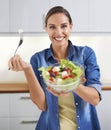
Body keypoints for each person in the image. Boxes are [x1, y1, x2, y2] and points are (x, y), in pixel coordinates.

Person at [8, 6, 102, 130]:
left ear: (70, 27)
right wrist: (28, 69)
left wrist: (70, 84)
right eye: (52, 27)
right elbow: (42, 105)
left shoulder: (86, 54)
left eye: (63, 26)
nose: (58, 32)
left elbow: (95, 99)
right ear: (46, 29)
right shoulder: (37, 59)